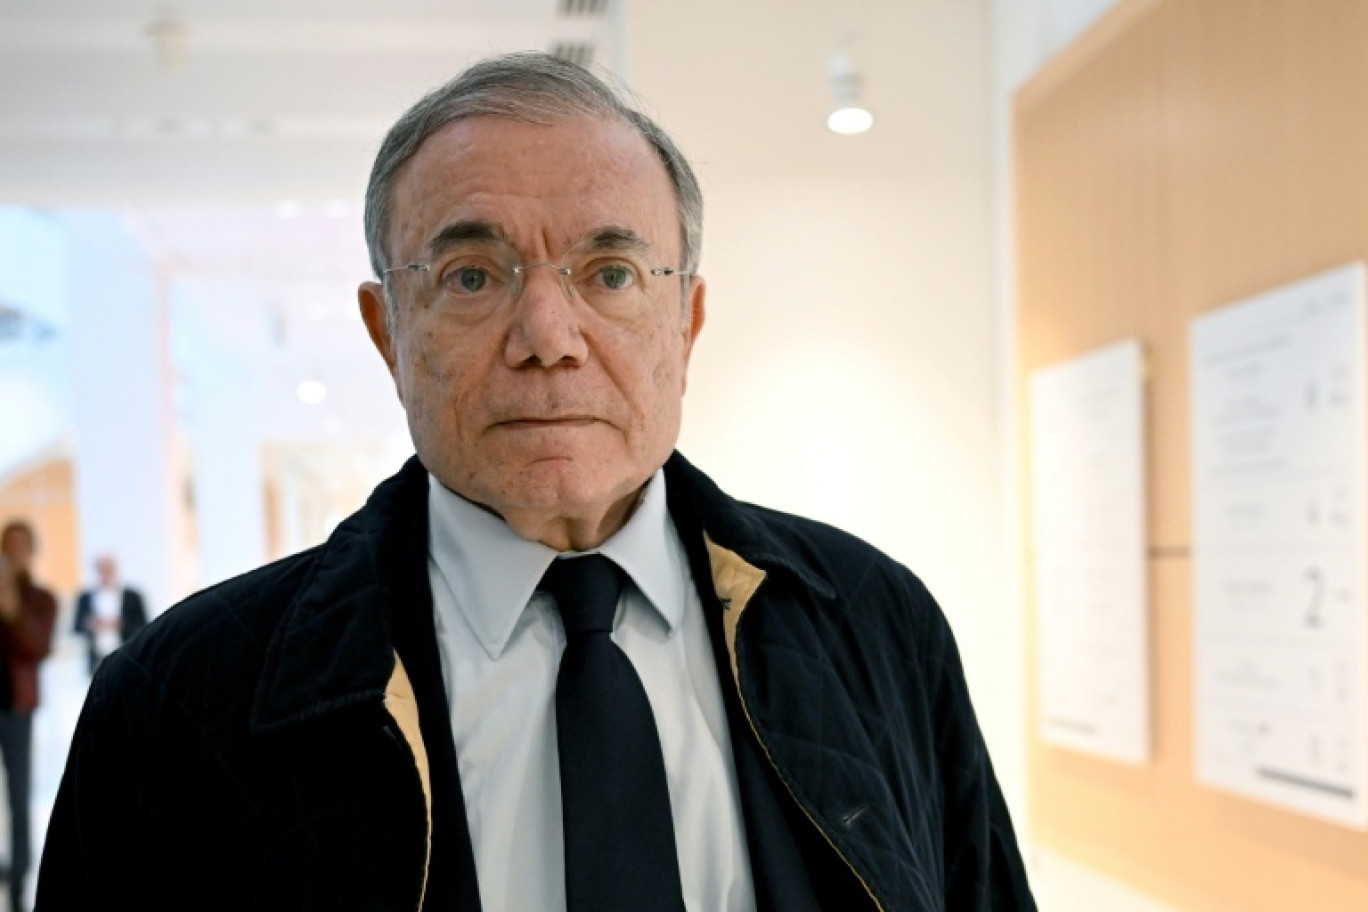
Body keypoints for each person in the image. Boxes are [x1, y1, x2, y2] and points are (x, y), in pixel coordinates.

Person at [37, 52, 1035, 911]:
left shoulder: (874, 625)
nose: (549, 340)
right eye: (473, 276)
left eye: (609, 273)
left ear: (684, 324)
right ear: (389, 333)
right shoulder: (180, 707)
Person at [0, 521, 55, 912]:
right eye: (8, 547)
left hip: (16, 708)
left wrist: (11, 608)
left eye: (21, 546)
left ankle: (19, 878)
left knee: (19, 797)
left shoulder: (40, 599)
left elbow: (37, 647)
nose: (14, 554)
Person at [73, 554, 148, 675]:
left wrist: (121, 624)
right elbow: (76, 626)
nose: (104, 575)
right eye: (101, 570)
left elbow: (143, 625)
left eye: (108, 570)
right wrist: (90, 625)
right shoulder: (85, 598)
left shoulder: (132, 597)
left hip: (127, 656)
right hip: (96, 658)